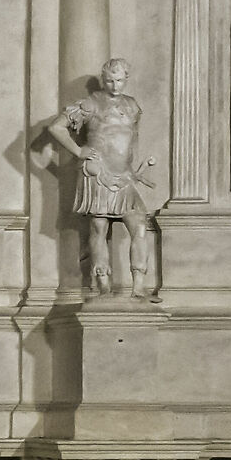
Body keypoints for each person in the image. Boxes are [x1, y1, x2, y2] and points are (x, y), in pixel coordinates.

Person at [45, 59, 157, 298]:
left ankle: (139, 287)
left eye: (119, 80)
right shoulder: (91, 103)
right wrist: (78, 151)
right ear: (103, 80)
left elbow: (132, 139)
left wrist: (132, 169)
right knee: (99, 228)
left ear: (126, 79)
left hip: (124, 176)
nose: (115, 86)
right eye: (109, 81)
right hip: (98, 173)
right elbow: (56, 128)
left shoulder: (132, 105)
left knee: (139, 226)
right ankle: (104, 286)